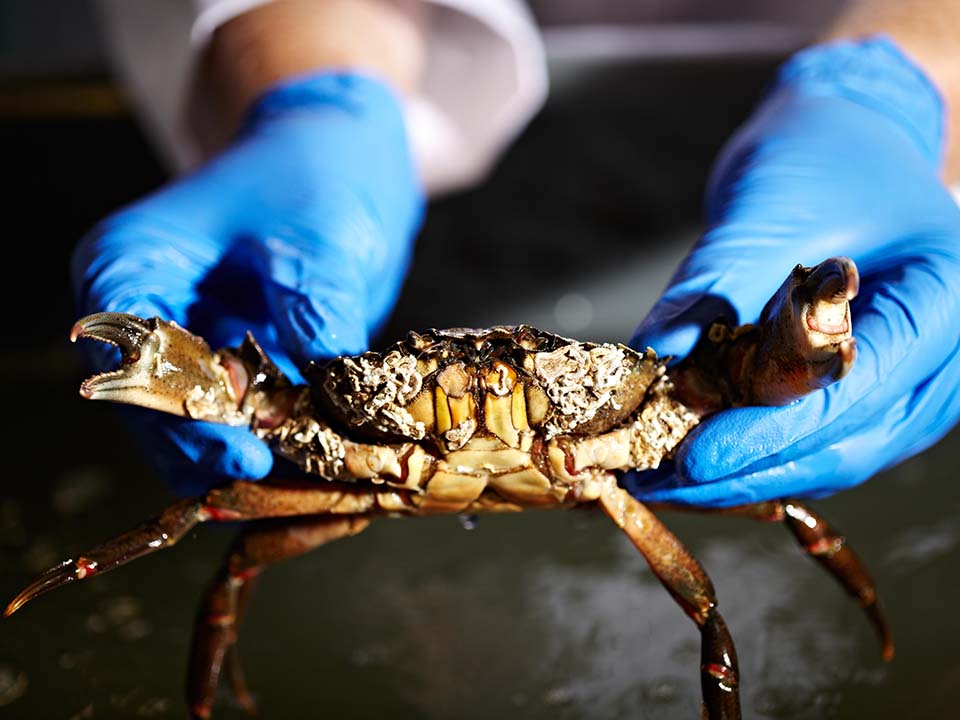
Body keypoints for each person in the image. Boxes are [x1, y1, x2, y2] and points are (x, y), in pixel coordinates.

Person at [77, 0, 960, 502]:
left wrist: (901, 85)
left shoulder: (663, 404)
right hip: (406, 91)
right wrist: (308, 86)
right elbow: (259, 402)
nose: (493, 397)